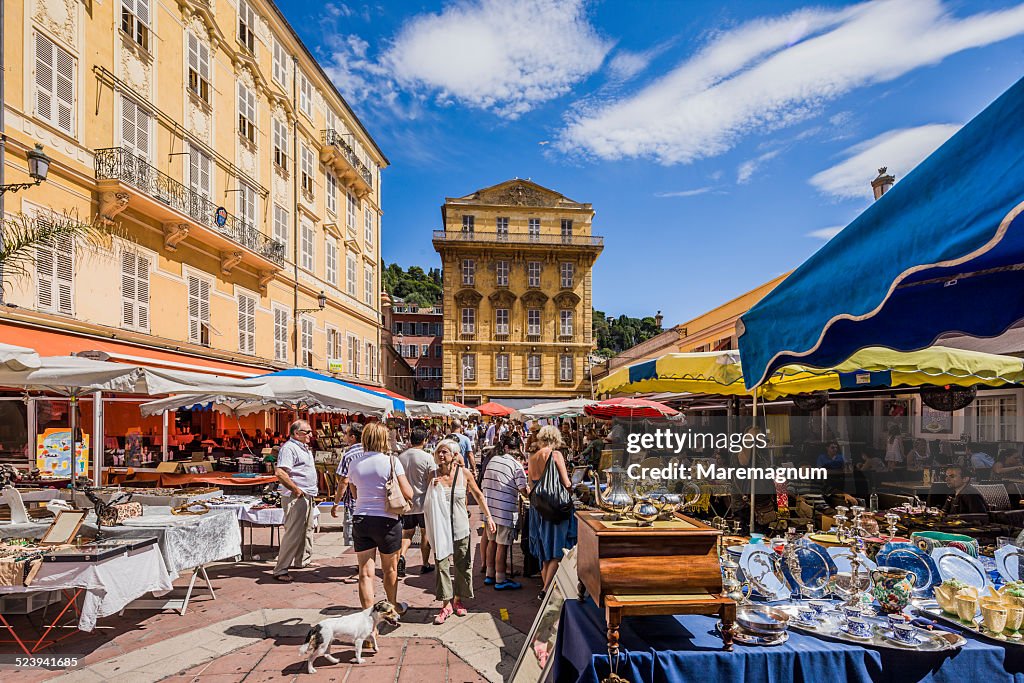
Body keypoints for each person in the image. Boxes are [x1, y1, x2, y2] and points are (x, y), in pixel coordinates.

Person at [344, 422, 414, 612]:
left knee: (365, 573)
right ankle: (392, 607)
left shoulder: (354, 462)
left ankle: (368, 621)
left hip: (361, 519)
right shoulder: (391, 461)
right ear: (384, 439)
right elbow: (408, 493)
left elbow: (355, 494)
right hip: (387, 521)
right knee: (389, 570)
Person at [425, 440, 496, 625]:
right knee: (441, 565)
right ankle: (445, 604)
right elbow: (427, 502)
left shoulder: (464, 474)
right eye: (439, 451)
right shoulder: (432, 475)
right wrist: (431, 488)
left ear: (454, 454)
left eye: (445, 452)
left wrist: (488, 517)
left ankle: (458, 599)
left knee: (462, 565)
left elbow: (479, 495)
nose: (441, 455)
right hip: (441, 528)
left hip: (460, 527)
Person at [528, 425, 576, 598]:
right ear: (556, 439)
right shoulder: (556, 455)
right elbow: (566, 483)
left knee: (545, 549)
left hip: (539, 508)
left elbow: (531, 486)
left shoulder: (533, 458)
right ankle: (546, 589)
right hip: (556, 508)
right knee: (558, 547)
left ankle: (546, 588)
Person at [481, 431, 529, 590]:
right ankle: (500, 579)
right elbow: (523, 490)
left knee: (492, 541)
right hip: (505, 509)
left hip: (490, 510)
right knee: (502, 544)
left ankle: (490, 574)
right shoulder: (516, 465)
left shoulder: (493, 460)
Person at [272, 420, 318, 582]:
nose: (311, 435)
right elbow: (280, 473)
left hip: (308, 494)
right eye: (307, 432)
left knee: (307, 529)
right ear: (296, 433)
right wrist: (296, 490)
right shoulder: (289, 448)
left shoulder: (303, 448)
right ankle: (281, 569)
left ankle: (302, 560)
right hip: (297, 496)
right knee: (293, 532)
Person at [397, 427, 436, 577]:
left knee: (407, 533)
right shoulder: (427, 457)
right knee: (425, 533)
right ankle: (425, 563)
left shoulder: (401, 457)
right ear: (425, 440)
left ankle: (402, 556)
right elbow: (431, 480)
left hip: (407, 503)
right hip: (423, 502)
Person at [331, 422, 364, 549]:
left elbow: (344, 481)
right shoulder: (371, 451)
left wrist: (336, 503)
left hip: (353, 501)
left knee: (354, 535)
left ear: (353, 437)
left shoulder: (349, 455)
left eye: (346, 434)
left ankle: (360, 563)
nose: (344, 436)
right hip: (371, 500)